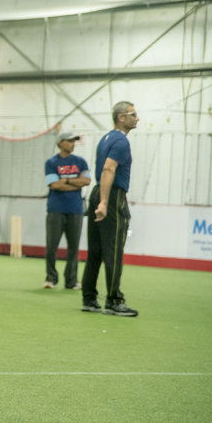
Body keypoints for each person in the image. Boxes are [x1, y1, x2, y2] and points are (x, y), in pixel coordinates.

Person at [81, 102, 140, 317]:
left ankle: (89, 298)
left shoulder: (106, 138)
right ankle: (114, 300)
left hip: (98, 191)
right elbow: (109, 168)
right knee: (113, 251)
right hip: (112, 196)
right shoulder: (121, 141)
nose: (137, 118)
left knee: (95, 251)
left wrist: (99, 198)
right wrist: (105, 203)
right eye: (133, 115)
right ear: (121, 118)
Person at [43, 132, 90, 289]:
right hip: (56, 209)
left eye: (73, 141)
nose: (72, 144)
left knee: (73, 247)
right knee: (52, 246)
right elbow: (54, 185)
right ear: (60, 143)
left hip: (76, 210)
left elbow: (86, 181)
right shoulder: (51, 162)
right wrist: (75, 184)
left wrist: (67, 180)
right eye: (69, 141)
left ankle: (71, 281)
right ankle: (51, 278)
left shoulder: (81, 162)